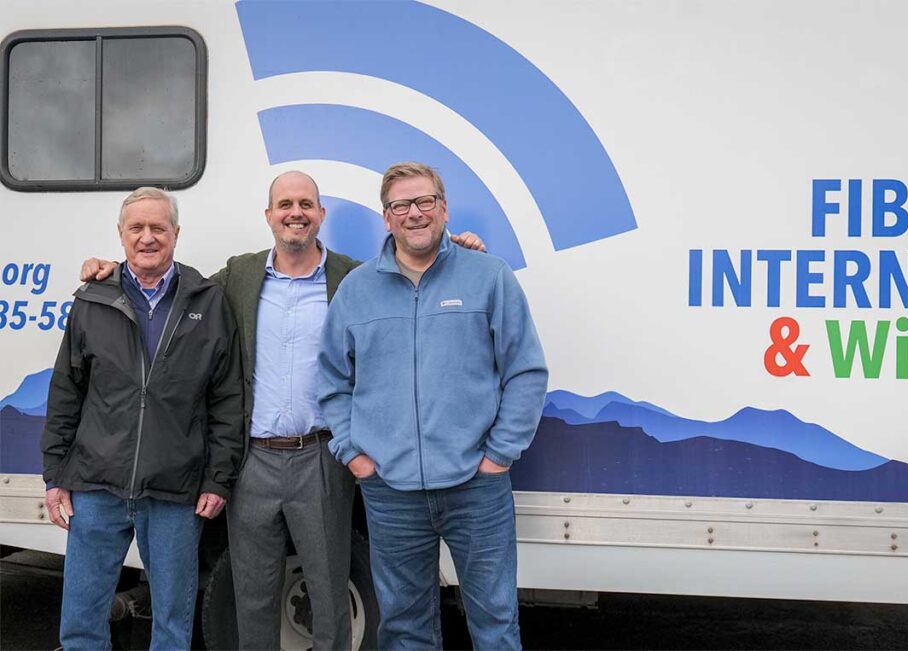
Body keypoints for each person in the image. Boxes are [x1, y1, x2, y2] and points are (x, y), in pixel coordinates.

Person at [81, 171, 486, 650]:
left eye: (306, 204)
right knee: (253, 596)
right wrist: (114, 270)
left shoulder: (353, 277)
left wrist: (457, 256)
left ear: (320, 214)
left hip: (322, 458)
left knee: (330, 593)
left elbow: (413, 274)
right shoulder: (239, 276)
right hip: (252, 461)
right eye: (286, 204)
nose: (296, 212)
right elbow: (169, 288)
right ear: (269, 215)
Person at [319, 162, 548, 649]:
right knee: (404, 628)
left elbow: (525, 371)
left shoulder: (489, 277)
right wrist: (355, 456)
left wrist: (498, 456)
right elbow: (333, 382)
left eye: (424, 202)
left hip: (476, 489)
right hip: (391, 491)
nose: (414, 213)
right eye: (401, 205)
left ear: (443, 208)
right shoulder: (357, 291)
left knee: (496, 623)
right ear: (386, 218)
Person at [42, 187, 244, 650]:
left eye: (158, 228)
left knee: (172, 627)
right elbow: (66, 391)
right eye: (137, 228)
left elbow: (227, 398)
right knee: (80, 623)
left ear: (176, 233)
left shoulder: (208, 301)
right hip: (96, 485)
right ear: (121, 234)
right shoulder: (94, 299)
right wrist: (55, 475)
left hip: (175, 488)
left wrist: (218, 479)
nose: (147, 238)